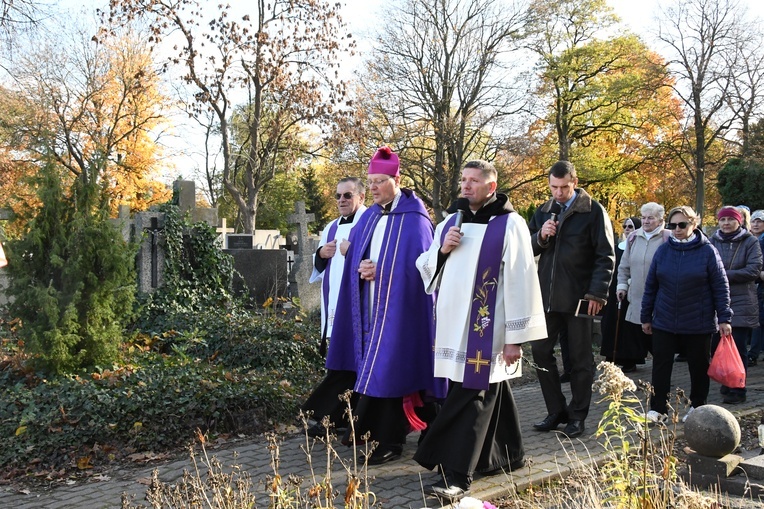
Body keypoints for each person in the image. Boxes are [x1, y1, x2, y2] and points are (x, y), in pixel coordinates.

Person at [413, 160, 547, 502]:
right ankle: (508, 455)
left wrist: (515, 338)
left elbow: (521, 281)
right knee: (488, 393)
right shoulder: (450, 222)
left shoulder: (510, 224)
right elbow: (426, 267)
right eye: (463, 180)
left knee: (472, 397)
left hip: (488, 331)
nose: (466, 186)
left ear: (491, 186)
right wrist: (443, 249)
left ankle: (458, 475)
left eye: (474, 181)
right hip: (453, 327)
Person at [329, 146, 445, 465]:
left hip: (403, 312)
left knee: (395, 369)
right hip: (371, 309)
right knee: (388, 371)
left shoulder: (416, 219)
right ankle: (416, 431)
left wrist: (383, 272)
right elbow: (356, 255)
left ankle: (392, 440)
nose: (375, 187)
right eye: (371, 182)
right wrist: (362, 267)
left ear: (397, 179)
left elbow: (424, 266)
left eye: (381, 181)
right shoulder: (369, 216)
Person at [528, 160, 615, 439]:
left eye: (564, 187)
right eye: (554, 187)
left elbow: (606, 255)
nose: (559, 193)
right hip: (546, 297)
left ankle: (578, 416)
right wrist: (541, 236)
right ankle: (557, 411)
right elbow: (526, 247)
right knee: (540, 353)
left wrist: (597, 293)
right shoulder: (544, 211)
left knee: (579, 360)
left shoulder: (593, 211)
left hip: (581, 297)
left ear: (574, 182)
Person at [641, 206, 733, 423]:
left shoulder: (708, 251)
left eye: (682, 224)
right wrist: (646, 316)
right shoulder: (663, 251)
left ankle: (698, 407)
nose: (677, 229)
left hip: (698, 321)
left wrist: (725, 317)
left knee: (699, 367)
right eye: (673, 225)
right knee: (661, 366)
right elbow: (651, 285)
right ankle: (658, 409)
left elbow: (721, 286)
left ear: (694, 224)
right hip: (664, 319)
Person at [301, 177, 366, 436]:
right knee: (340, 361)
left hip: (360, 305)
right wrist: (321, 255)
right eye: (338, 196)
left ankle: (328, 414)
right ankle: (338, 418)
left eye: (348, 195)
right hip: (335, 305)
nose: (342, 200)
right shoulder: (330, 227)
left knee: (350, 363)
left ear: (361, 197)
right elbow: (318, 271)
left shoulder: (370, 222)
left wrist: (352, 251)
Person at [709, 206, 762, 404]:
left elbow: (754, 270)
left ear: (739, 221)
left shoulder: (750, 241)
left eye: (730, 220)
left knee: (737, 347)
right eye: (723, 220)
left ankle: (738, 388)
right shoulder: (712, 241)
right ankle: (725, 383)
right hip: (716, 301)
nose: (726, 223)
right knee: (717, 346)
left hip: (741, 301)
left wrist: (722, 276)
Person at [613, 203, 670, 372]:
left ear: (660, 219)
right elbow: (624, 266)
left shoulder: (668, 237)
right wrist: (622, 286)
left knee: (657, 336)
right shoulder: (633, 237)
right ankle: (632, 361)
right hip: (636, 295)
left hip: (660, 297)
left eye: (650, 218)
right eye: (643, 217)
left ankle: (662, 368)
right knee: (635, 331)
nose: (645, 221)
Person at [600, 216, 642, 372]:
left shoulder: (638, 246)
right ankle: (611, 356)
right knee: (611, 322)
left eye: (630, 227)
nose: (627, 229)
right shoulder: (617, 247)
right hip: (615, 290)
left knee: (628, 328)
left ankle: (630, 358)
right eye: (625, 226)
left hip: (632, 291)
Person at [749, 209, 764, 366]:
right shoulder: (748, 240)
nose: (756, 224)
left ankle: (753, 354)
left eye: (759, 221)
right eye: (753, 221)